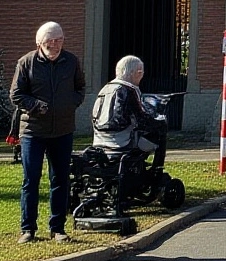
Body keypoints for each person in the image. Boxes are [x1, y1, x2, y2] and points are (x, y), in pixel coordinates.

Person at [10, 21, 86, 244]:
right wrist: (35, 105)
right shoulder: (26, 63)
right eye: (50, 41)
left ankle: (58, 228)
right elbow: (16, 94)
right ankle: (28, 229)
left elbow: (80, 88)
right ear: (39, 43)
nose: (55, 44)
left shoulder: (71, 61)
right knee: (31, 179)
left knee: (60, 179)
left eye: (59, 40)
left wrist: (70, 103)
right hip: (33, 131)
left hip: (63, 130)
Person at [92, 55, 167, 207]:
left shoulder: (105, 88)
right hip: (123, 142)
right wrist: (160, 122)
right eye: (141, 73)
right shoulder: (129, 90)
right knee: (158, 138)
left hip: (100, 142)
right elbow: (141, 119)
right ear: (137, 73)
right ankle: (154, 173)